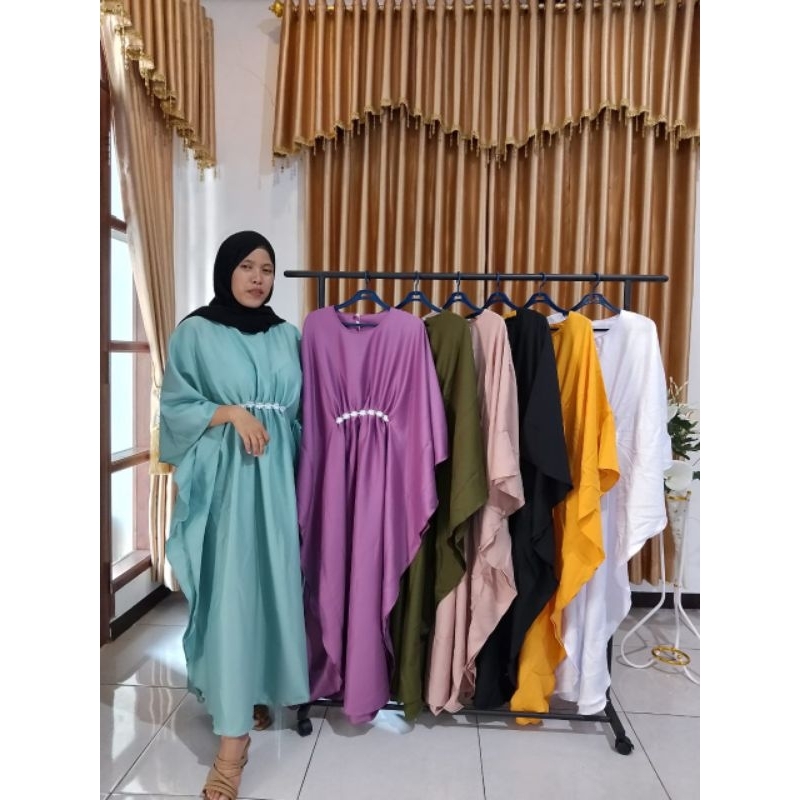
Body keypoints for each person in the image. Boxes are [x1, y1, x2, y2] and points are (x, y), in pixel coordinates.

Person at [159, 231, 309, 800]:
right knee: (231, 595)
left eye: (266, 269)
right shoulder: (195, 332)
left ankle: (251, 690)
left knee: (270, 588)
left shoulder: (287, 335)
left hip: (275, 483)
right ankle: (231, 745)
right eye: (246, 266)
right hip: (225, 482)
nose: (257, 278)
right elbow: (176, 406)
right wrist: (230, 413)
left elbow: (301, 413)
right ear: (226, 269)